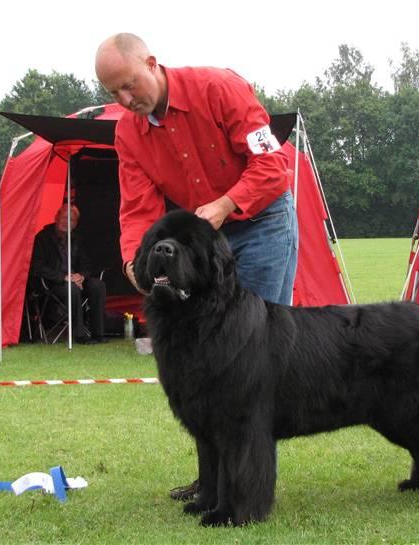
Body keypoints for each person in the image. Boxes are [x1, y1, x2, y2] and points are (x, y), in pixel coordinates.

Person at [95, 33, 298, 499]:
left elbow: (273, 165)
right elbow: (138, 209)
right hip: (201, 244)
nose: (126, 101)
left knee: (253, 358)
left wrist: (227, 204)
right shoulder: (128, 133)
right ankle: (213, 480)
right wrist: (134, 259)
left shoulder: (219, 89)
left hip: (262, 221)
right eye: (113, 94)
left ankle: (246, 485)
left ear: (152, 62)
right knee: (204, 362)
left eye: (129, 86)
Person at [30, 205, 107, 344]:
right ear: (56, 218)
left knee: (98, 285)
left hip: (74, 280)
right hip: (52, 282)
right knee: (72, 289)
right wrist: (63, 277)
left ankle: (98, 333)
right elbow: (36, 266)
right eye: (65, 218)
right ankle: (80, 335)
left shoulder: (77, 239)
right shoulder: (42, 238)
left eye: (72, 220)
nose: (67, 222)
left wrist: (81, 275)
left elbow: (86, 264)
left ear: (76, 224)